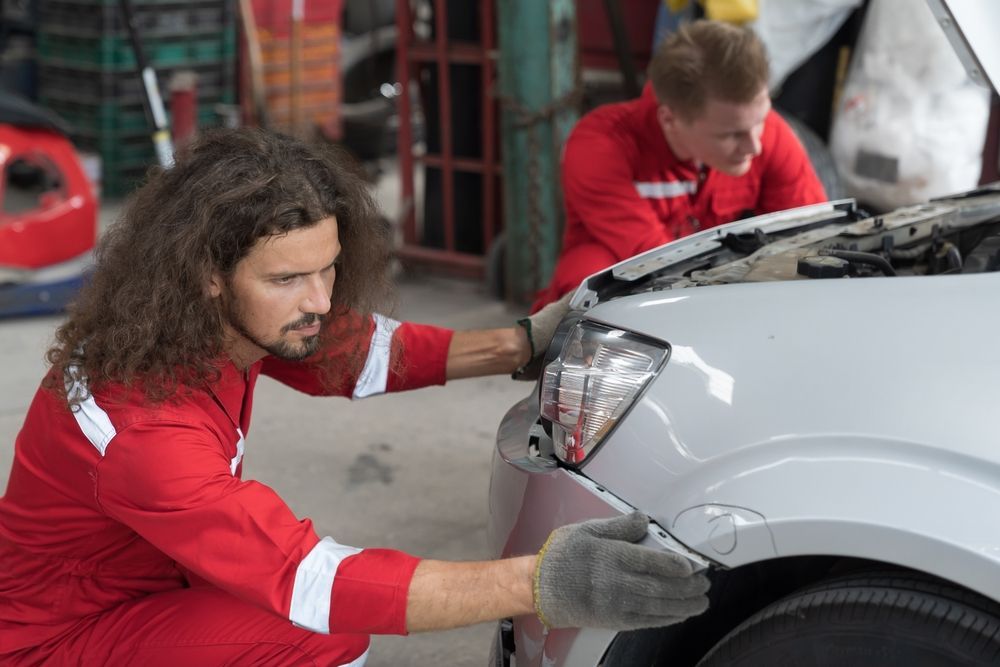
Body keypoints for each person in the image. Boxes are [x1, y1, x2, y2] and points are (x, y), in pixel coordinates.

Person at [0, 129, 709, 665]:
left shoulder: (195, 324)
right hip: (56, 639)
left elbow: (358, 351)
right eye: (287, 280)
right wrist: (544, 581)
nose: (318, 301)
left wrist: (519, 343)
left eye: (328, 269)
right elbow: (312, 578)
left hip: (150, 581)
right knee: (320, 632)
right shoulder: (143, 437)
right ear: (208, 274)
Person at [532, 20, 828, 310]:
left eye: (760, 120)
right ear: (670, 119)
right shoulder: (600, 145)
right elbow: (657, 262)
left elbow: (817, 235)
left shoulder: (767, 132)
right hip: (630, 285)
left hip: (717, 282)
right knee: (587, 280)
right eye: (731, 135)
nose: (755, 145)